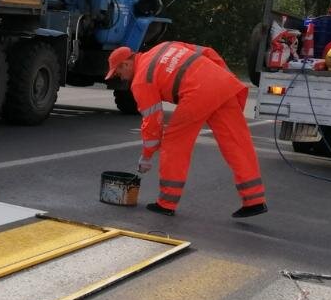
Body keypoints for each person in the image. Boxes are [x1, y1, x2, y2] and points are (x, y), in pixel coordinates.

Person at [106, 42, 267, 219]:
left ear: (126, 63)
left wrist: (146, 156)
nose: (120, 77)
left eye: (118, 72)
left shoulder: (141, 80)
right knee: (237, 143)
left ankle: (166, 203)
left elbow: (152, 123)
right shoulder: (164, 46)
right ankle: (254, 200)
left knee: (174, 143)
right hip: (222, 82)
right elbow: (209, 51)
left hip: (197, 93)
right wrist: (226, 79)